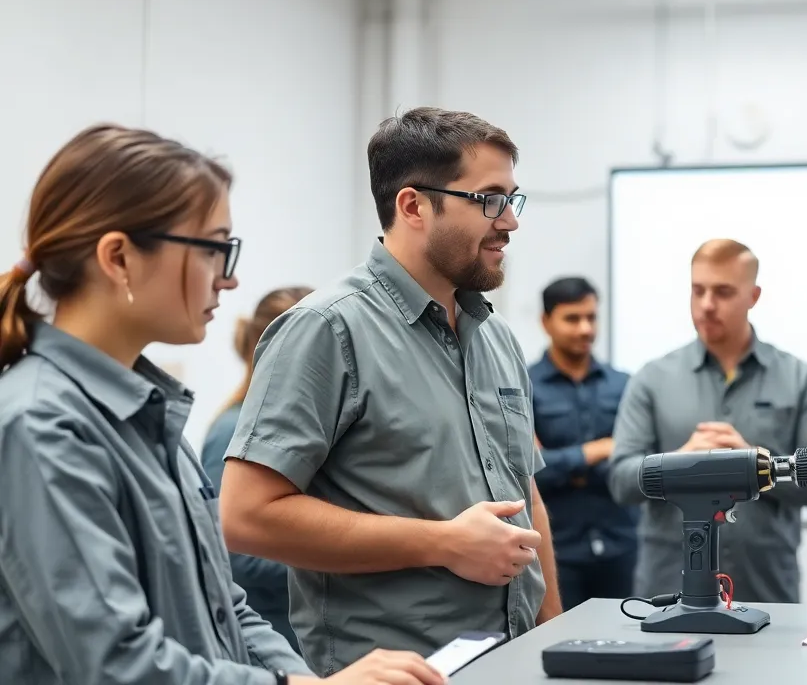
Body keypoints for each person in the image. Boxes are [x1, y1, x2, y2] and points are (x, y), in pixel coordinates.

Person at [0, 124, 442, 685]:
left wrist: (308, 681)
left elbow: (225, 608)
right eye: (214, 249)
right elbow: (113, 663)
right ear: (118, 258)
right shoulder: (41, 425)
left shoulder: (150, 414)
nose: (228, 281)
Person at [218, 108, 563, 675]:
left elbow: (528, 498)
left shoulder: (494, 335)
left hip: (511, 664)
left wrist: (553, 642)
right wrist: (444, 543)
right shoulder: (327, 329)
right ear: (413, 206)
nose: (510, 222)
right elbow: (247, 516)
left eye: (512, 199)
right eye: (490, 199)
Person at [609, 238, 807, 604]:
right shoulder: (651, 379)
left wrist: (753, 463)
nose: (707, 305)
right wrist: (678, 466)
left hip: (766, 592)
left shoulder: (800, 379)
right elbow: (620, 480)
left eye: (723, 292)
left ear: (754, 296)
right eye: (697, 290)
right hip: (667, 593)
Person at [200, 285, 313, 651]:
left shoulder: (301, 427)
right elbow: (235, 556)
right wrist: (342, 557)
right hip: (274, 642)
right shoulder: (232, 432)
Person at [530, 276, 638, 609]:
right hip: (558, 549)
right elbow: (532, 471)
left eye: (591, 317)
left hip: (622, 546)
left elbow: (634, 461)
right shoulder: (523, 385)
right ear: (546, 322)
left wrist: (567, 465)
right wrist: (596, 451)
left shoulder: (624, 385)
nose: (585, 329)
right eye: (572, 318)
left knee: (624, 644)